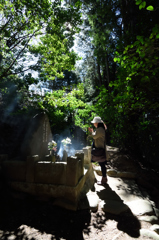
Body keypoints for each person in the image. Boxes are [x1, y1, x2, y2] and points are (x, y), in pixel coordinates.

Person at [88, 116, 107, 185]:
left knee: (102, 164)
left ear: (97, 123)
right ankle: (104, 179)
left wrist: (91, 132)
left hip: (99, 148)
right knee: (102, 164)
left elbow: (94, 136)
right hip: (101, 148)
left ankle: (104, 180)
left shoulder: (100, 129)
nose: (93, 124)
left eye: (94, 123)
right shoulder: (101, 129)